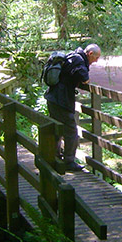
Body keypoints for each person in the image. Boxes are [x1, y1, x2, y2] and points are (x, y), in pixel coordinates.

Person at [44, 43, 102, 171]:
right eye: (96, 57)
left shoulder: (73, 56)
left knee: (57, 129)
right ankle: (69, 162)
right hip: (61, 100)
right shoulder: (78, 60)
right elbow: (85, 79)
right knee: (71, 131)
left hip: (53, 97)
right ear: (90, 54)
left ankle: (54, 156)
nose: (96, 61)